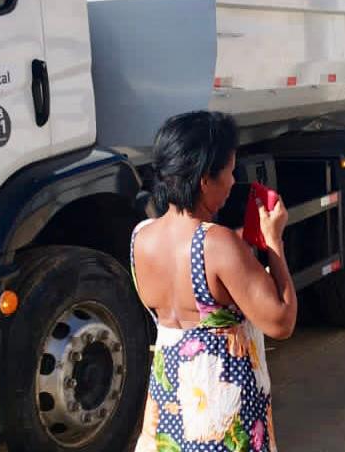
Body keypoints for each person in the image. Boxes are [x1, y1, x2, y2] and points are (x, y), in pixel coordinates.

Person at [131, 110, 296, 452]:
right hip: (220, 419)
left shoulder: (140, 237)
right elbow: (281, 321)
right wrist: (274, 242)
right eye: (229, 171)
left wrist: (240, 247)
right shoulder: (218, 244)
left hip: (168, 410)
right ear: (205, 180)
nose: (234, 181)